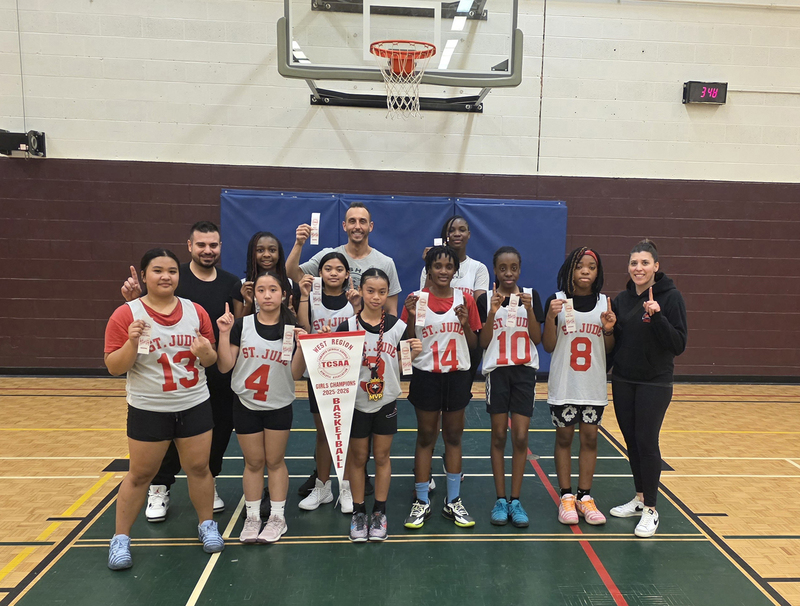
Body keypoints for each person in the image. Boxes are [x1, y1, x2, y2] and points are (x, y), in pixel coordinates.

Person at [104, 248, 224, 570]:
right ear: (144, 276)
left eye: (172, 270)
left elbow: (211, 360)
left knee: (199, 468)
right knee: (141, 474)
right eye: (157, 270)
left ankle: (206, 525)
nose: (166, 276)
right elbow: (114, 368)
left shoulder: (195, 311)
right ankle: (120, 539)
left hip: (193, 404)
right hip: (148, 408)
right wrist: (131, 343)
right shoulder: (126, 315)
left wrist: (206, 352)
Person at [121, 221, 242, 522]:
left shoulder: (230, 282)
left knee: (217, 433)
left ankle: (208, 482)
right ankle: (160, 486)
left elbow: (237, 325)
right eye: (201, 244)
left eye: (213, 245)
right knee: (165, 436)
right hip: (169, 376)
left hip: (213, 370)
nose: (207, 250)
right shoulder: (174, 278)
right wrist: (133, 299)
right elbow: (145, 312)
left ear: (220, 248)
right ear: (189, 246)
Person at [216, 273, 307, 544]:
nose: (267, 295)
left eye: (273, 290)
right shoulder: (240, 325)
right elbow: (223, 366)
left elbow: (296, 374)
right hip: (246, 404)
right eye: (261, 290)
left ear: (284, 295)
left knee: (275, 461)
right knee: (254, 462)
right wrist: (222, 333)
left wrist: (302, 349)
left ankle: (278, 518)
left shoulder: (293, 329)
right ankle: (253, 516)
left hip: (279, 404)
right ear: (253, 295)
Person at [336, 268, 422, 542]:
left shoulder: (397, 327)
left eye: (382, 292)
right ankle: (359, 512)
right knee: (359, 458)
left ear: (388, 294)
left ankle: (380, 513)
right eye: (370, 291)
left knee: (383, 457)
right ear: (360, 291)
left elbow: (402, 369)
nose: (376, 297)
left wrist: (409, 355)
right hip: (356, 403)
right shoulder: (347, 327)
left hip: (385, 402)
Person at [609, 239, 687, 538]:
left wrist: (658, 317)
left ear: (656, 266)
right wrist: (608, 328)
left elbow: (678, 344)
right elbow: (617, 343)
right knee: (631, 440)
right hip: (624, 380)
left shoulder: (671, 298)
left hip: (655, 381)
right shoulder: (622, 299)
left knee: (646, 439)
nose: (638, 268)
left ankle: (652, 509)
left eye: (644, 263)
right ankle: (640, 498)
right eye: (633, 263)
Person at [401, 245, 482, 529]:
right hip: (426, 375)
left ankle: (453, 500)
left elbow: (473, 347)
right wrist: (410, 318)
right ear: (429, 270)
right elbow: (407, 344)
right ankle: (421, 500)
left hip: (457, 375)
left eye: (449, 266)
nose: (444, 271)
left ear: (455, 270)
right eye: (438, 266)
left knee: (453, 437)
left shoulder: (466, 300)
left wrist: (465, 325)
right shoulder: (416, 300)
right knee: (426, 436)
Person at [542, 247, 616, 527]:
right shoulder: (557, 301)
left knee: (590, 439)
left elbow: (608, 350)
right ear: (570, 270)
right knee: (564, 439)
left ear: (598, 273)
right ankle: (566, 497)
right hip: (564, 383)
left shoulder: (605, 303)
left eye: (591, 267)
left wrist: (608, 329)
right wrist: (550, 318)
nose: (585, 271)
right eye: (580, 266)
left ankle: (585, 497)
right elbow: (549, 346)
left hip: (592, 386)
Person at [477, 246, 543, 528]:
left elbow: (537, 339)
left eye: (513, 267)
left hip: (525, 372)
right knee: (498, 436)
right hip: (498, 372)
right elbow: (483, 342)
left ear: (519, 269)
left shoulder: (531, 296)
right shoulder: (486, 299)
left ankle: (516, 500)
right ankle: (500, 499)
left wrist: (529, 310)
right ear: (495, 270)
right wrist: (492, 312)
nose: (508, 273)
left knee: (520, 436)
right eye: (502, 268)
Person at [295, 252, 360, 513]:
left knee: (345, 434)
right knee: (323, 434)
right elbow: (303, 326)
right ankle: (322, 487)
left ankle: (345, 486)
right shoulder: (312, 298)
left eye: (339, 269)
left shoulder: (352, 300)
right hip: (318, 374)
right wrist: (302, 295)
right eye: (328, 268)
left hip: (346, 375)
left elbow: (361, 331)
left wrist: (357, 307)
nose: (333, 273)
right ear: (320, 272)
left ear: (347, 274)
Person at [286, 202, 402, 315]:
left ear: (370, 226)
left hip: (365, 330)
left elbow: (390, 310)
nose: (357, 226)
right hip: (328, 329)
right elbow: (291, 275)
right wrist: (298, 244)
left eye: (362, 221)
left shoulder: (385, 263)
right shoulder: (329, 257)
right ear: (344, 226)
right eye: (352, 221)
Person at [420, 215, 489, 301]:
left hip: (467, 314)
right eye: (451, 230)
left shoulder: (479, 268)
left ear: (468, 234)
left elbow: (480, 306)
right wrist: (429, 264)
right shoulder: (429, 269)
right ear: (446, 236)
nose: (457, 234)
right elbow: (424, 302)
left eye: (462, 230)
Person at [238, 231, 300, 316]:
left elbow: (302, 326)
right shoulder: (242, 286)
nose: (266, 255)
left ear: (279, 254)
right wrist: (248, 304)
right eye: (260, 250)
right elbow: (237, 327)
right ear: (252, 254)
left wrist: (292, 317)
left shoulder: (292, 286)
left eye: (272, 250)